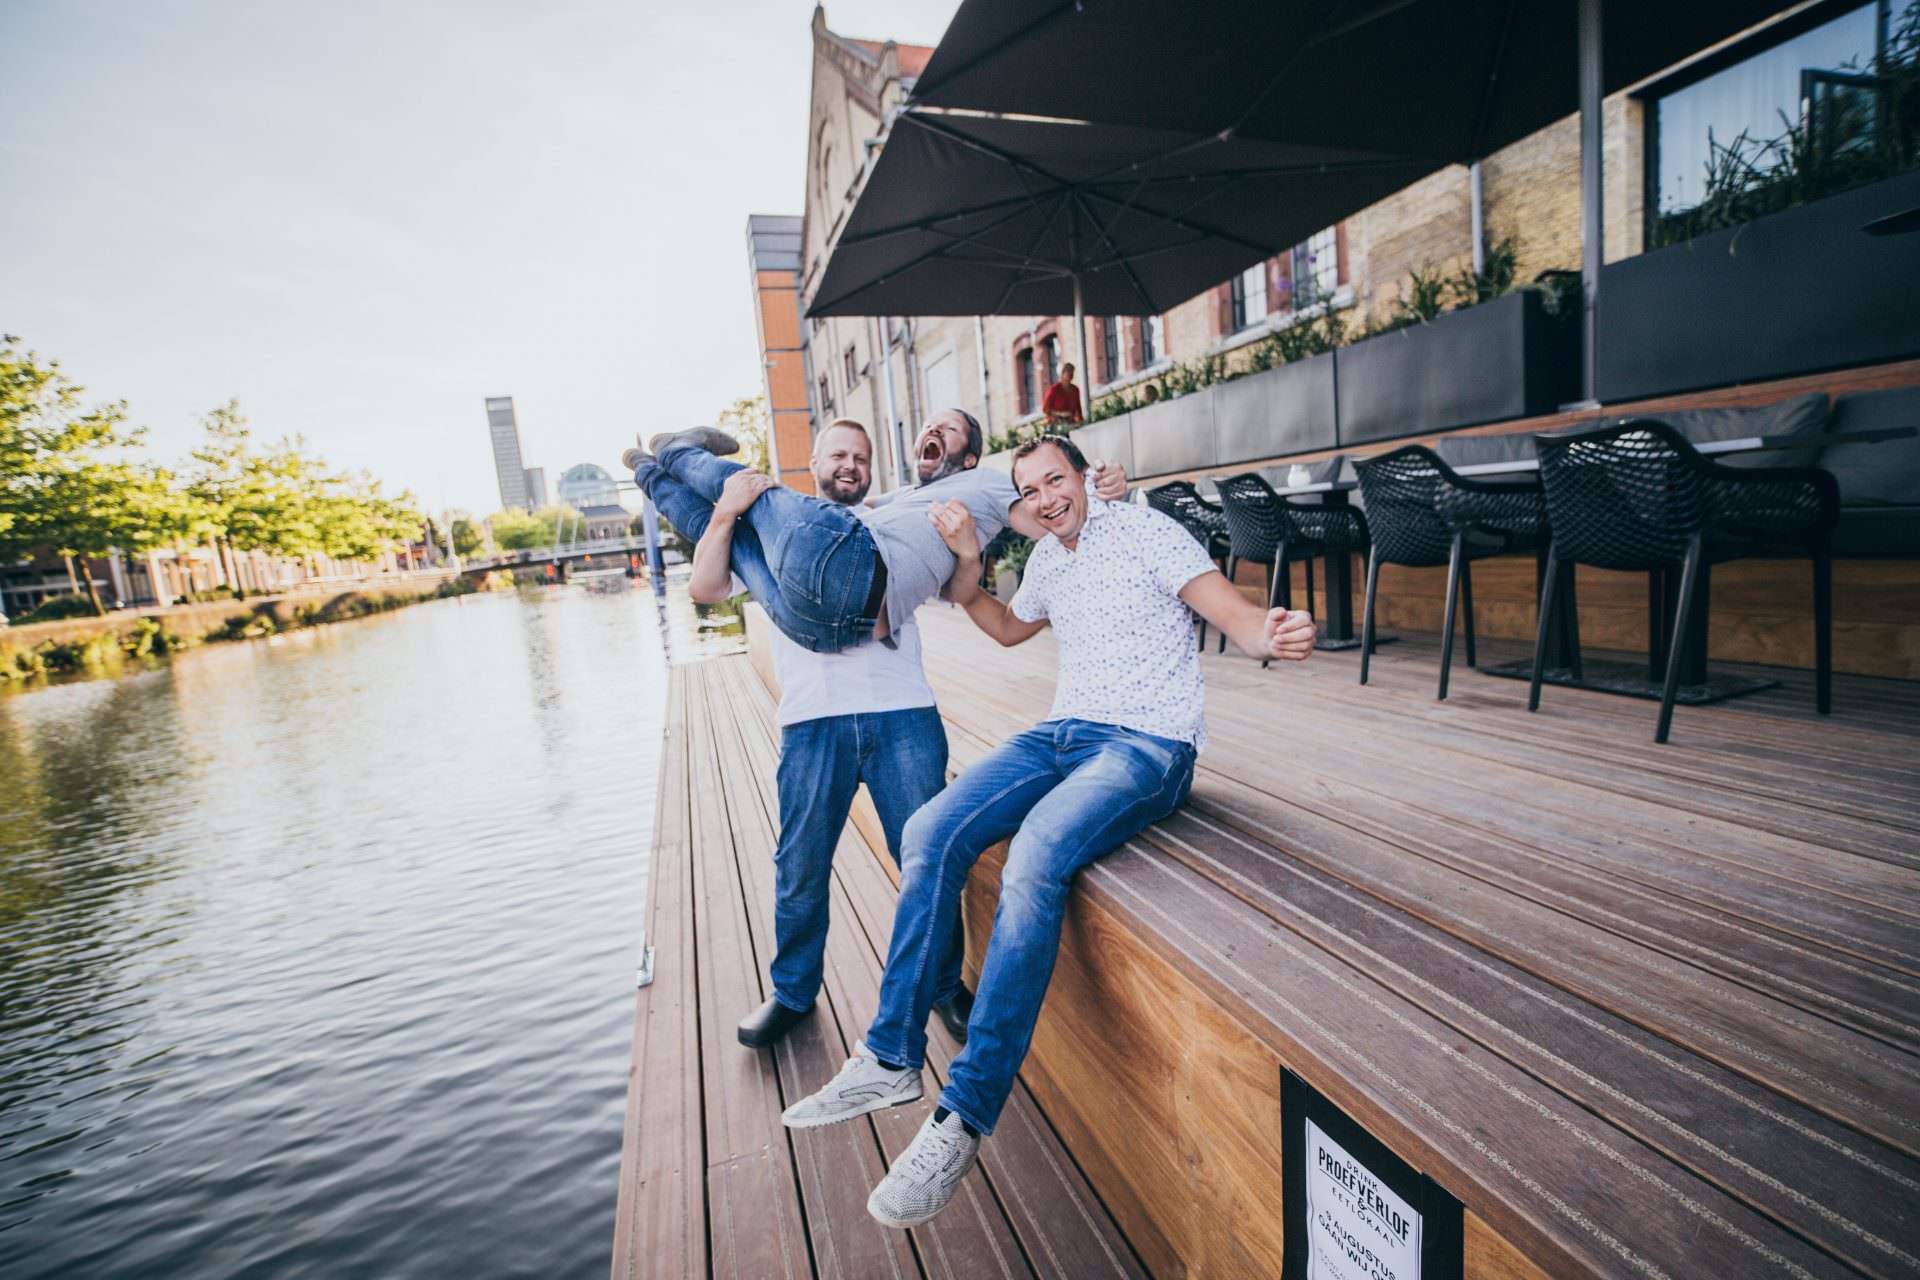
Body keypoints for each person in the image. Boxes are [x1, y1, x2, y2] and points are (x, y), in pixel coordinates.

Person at [781, 434, 1317, 1230]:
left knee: (1034, 854)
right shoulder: (1048, 560)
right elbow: (1002, 627)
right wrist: (966, 556)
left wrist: (1266, 633)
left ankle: (962, 1116)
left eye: (1055, 479)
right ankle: (891, 1056)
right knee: (931, 827)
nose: (1045, 498)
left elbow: (1230, 614)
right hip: (1061, 733)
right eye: (1029, 490)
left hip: (1147, 742)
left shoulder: (1145, 530)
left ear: (1083, 476)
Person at [682, 419, 972, 1048]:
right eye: (838, 454)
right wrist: (728, 511)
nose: (850, 465)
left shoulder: (895, 521)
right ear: (812, 462)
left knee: (926, 859)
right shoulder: (781, 531)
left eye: (861, 457)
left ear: (872, 467)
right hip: (814, 723)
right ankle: (792, 993)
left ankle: (946, 986)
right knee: (801, 866)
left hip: (905, 716)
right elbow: (705, 590)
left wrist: (969, 547)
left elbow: (959, 588)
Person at [622, 410, 1124, 656]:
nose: (932, 430)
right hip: (822, 629)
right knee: (741, 528)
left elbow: (1054, 522)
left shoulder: (986, 483)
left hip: (853, 586)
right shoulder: (903, 497)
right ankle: (649, 472)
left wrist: (1102, 495)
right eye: (929, 425)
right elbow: (848, 504)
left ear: (969, 456)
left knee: (753, 492)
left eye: (947, 429)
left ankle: (675, 450)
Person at [1041, 361, 1083, 426]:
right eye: (1068, 371)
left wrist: (1081, 421)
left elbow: (1078, 408)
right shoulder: (1054, 389)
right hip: (1055, 422)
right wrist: (1061, 414)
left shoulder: (1075, 390)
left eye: (1072, 372)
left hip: (1070, 422)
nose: (1070, 374)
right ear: (1063, 373)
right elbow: (1045, 409)